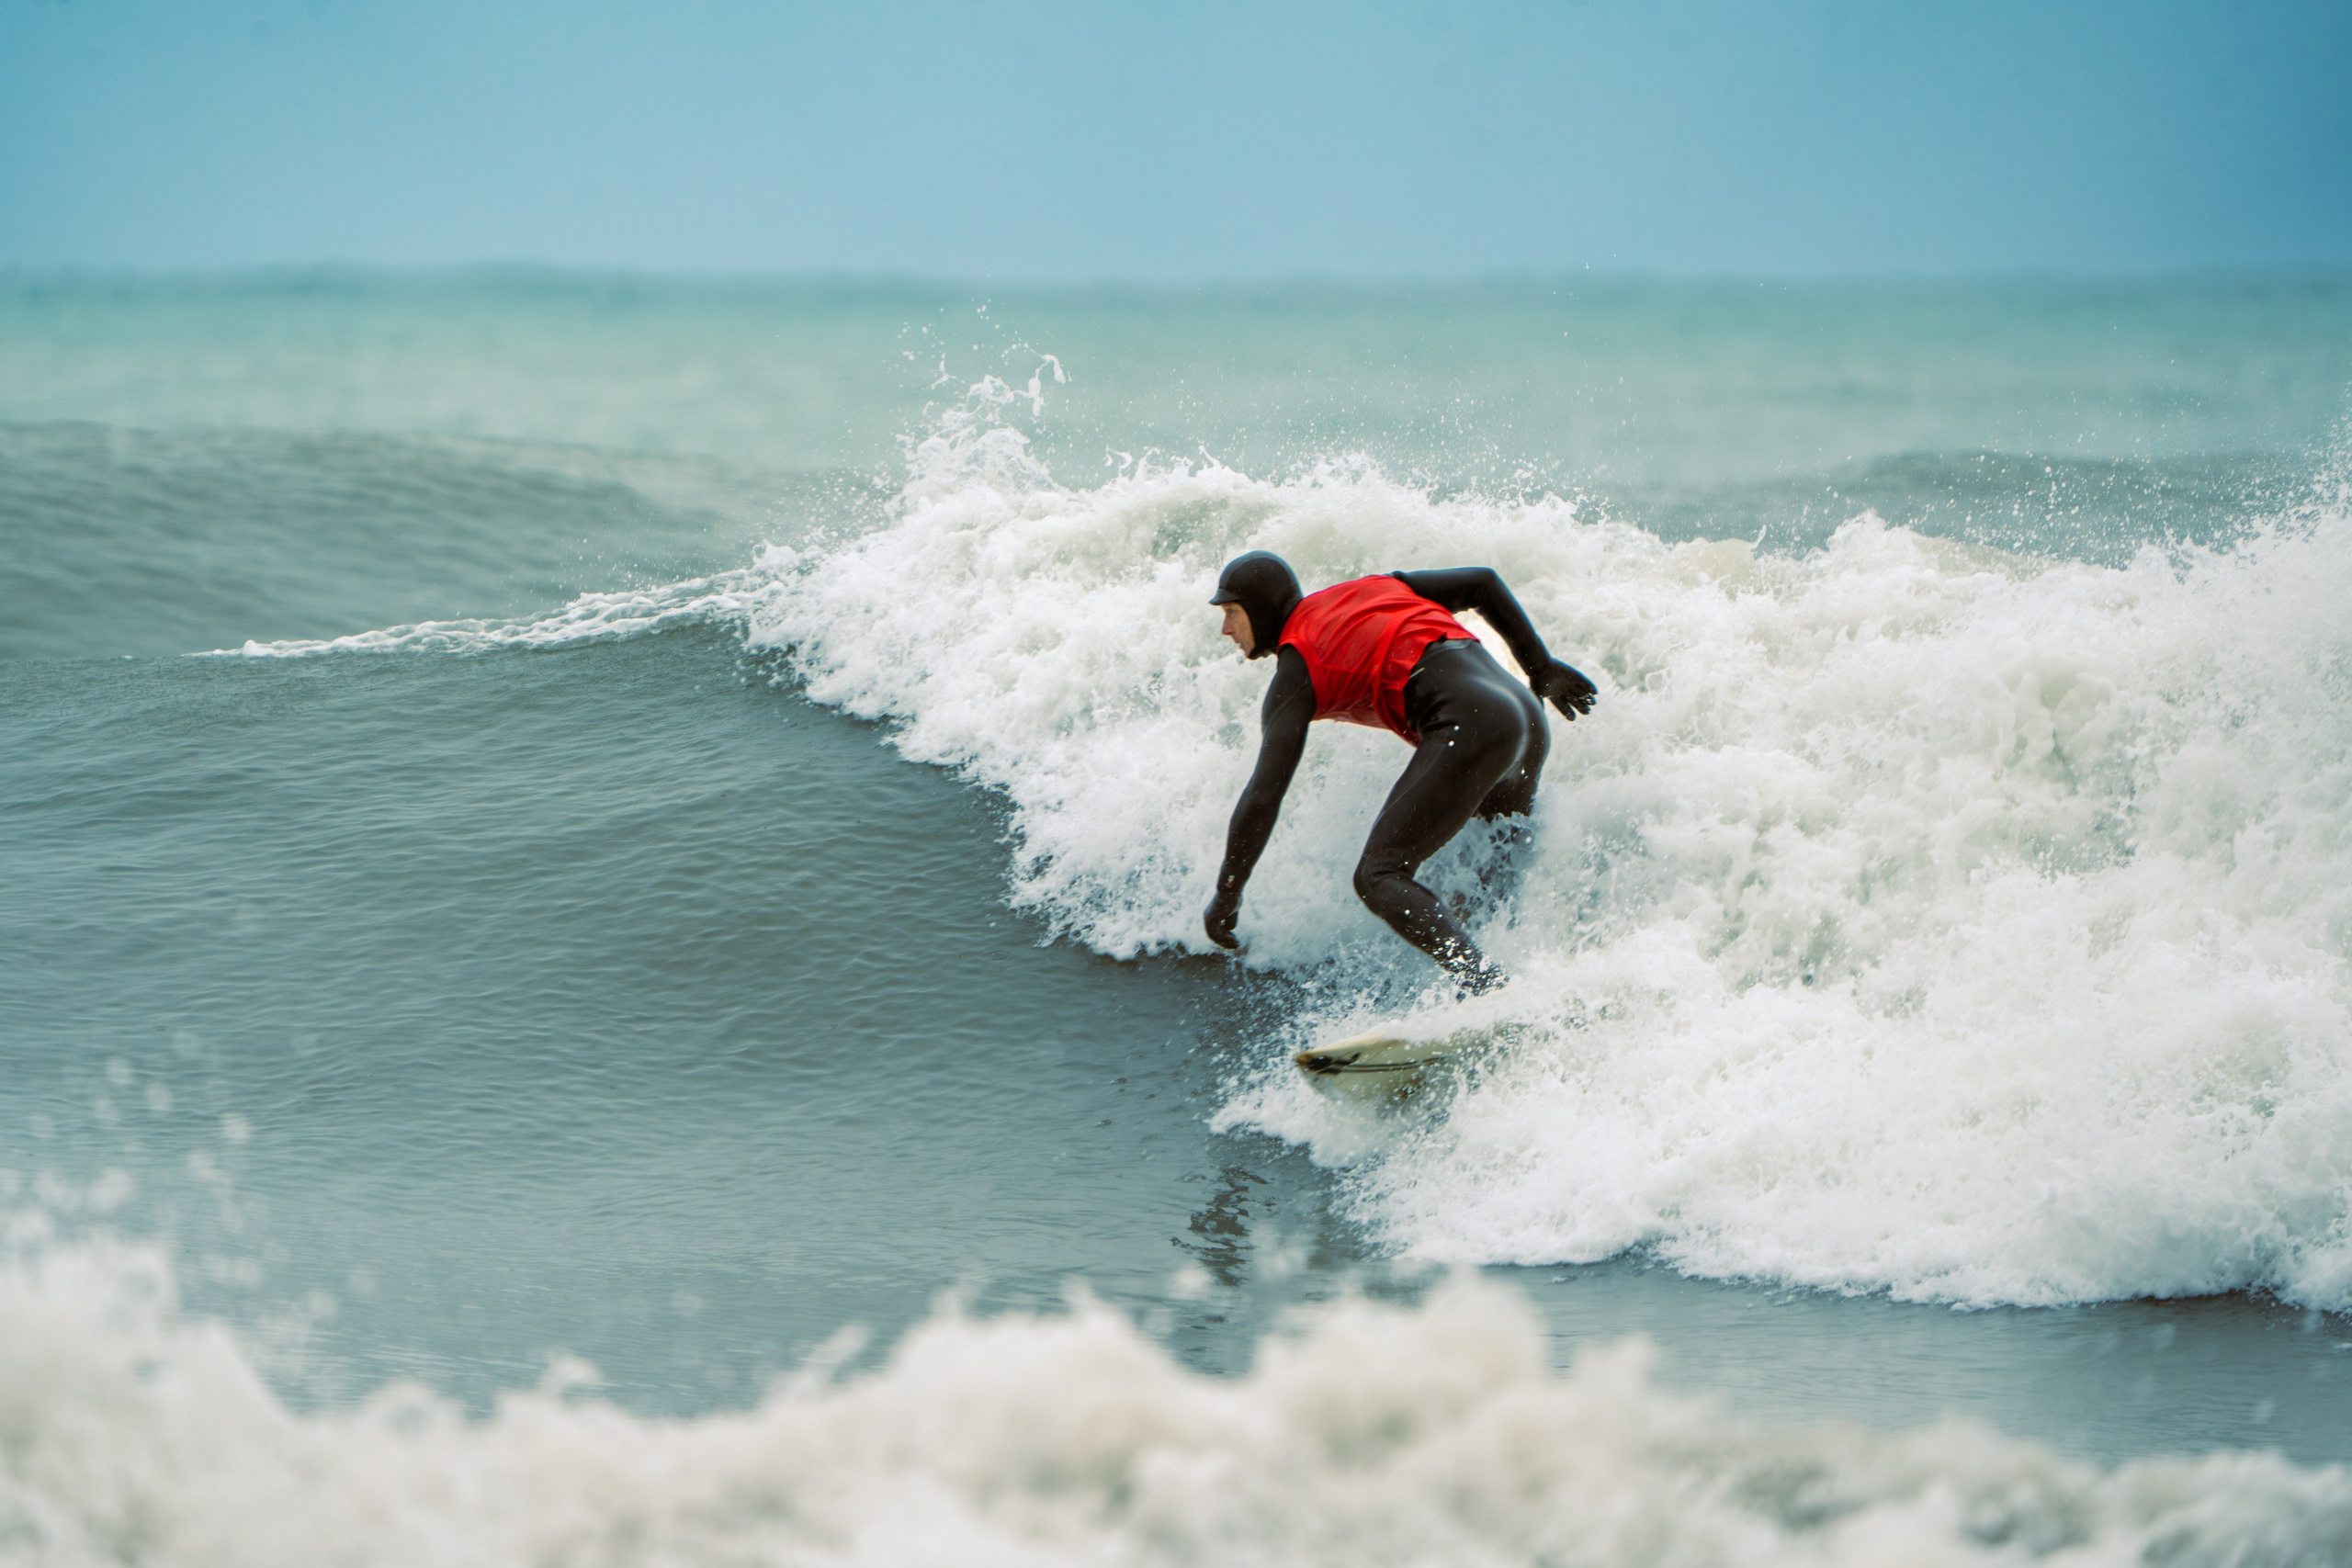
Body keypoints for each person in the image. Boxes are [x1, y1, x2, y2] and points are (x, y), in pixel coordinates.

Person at [1202, 551, 1596, 989]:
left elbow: (1263, 796)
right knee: (1489, 863)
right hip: (1524, 718)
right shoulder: (1373, 588)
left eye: (1233, 613)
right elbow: (1482, 583)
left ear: (1261, 608)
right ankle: (1527, 978)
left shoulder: (1297, 669)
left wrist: (1227, 892)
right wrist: (1540, 669)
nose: (1226, 629)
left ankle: (1489, 990)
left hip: (1472, 721)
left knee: (1379, 874)